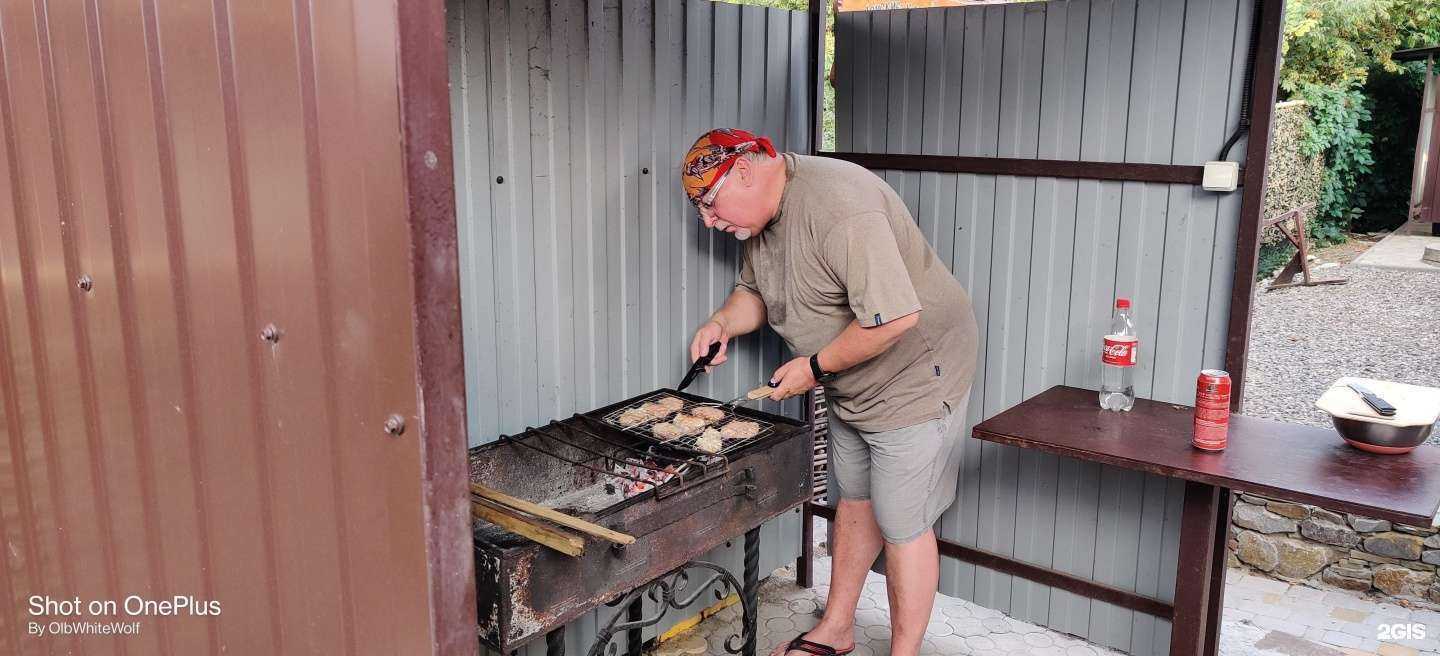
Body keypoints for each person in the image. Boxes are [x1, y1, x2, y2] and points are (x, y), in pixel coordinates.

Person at [680, 128, 979, 656]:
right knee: (857, 496)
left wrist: (813, 368)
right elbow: (755, 290)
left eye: (709, 203)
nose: (707, 220)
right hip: (851, 381)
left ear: (745, 171)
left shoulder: (840, 207)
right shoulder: (761, 219)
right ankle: (837, 628)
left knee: (903, 521)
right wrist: (723, 323)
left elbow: (895, 318)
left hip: (914, 374)